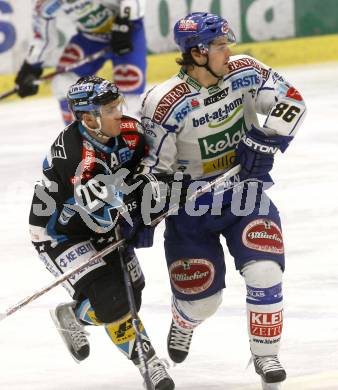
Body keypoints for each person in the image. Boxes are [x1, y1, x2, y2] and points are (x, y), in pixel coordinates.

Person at [138, 12, 307, 389]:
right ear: (197, 53)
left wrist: (266, 138)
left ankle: (266, 355)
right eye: (219, 45)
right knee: (203, 302)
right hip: (192, 210)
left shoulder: (245, 70)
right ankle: (185, 320)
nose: (228, 51)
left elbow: (292, 101)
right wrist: (154, 201)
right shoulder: (163, 103)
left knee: (266, 271)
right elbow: (154, 171)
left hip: (246, 196)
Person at [29, 75, 175, 390]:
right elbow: (105, 218)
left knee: (133, 292)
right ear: (88, 118)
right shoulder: (78, 159)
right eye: (110, 109)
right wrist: (145, 211)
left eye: (116, 105)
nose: (118, 113)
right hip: (60, 232)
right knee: (115, 300)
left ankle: (75, 314)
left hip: (102, 218)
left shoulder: (128, 132)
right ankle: (148, 363)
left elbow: (148, 167)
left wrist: (156, 185)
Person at [15, 0, 146, 123]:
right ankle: (77, 140)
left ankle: (134, 140)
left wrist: (125, 21)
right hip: (90, 38)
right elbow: (43, 36)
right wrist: (31, 67)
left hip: (129, 31)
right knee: (63, 82)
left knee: (130, 98)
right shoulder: (45, 4)